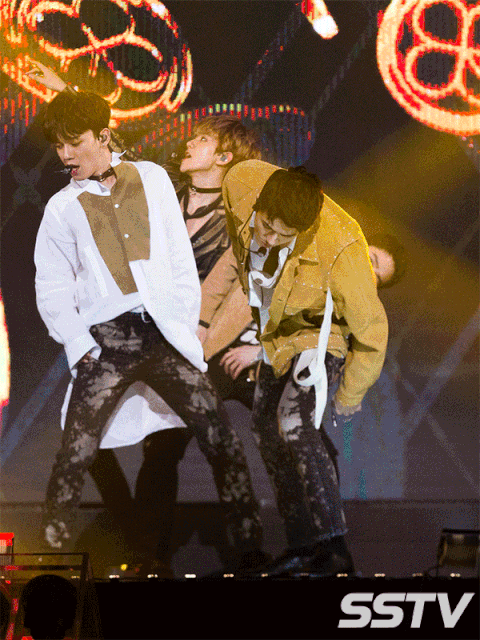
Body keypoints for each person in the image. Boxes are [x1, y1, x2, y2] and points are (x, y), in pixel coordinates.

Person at [34, 89, 263, 565]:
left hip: (163, 337)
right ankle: (49, 565)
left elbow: (180, 263)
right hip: (106, 342)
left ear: (103, 136)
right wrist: (80, 346)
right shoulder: (61, 208)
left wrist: (183, 333)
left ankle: (249, 554)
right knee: (76, 450)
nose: (65, 155)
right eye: (58, 145)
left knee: (220, 438)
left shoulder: (153, 178)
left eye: (75, 143)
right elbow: (51, 285)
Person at [199, 160, 389, 577]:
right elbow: (240, 252)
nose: (268, 238)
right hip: (277, 334)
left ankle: (334, 549)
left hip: (323, 334)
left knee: (293, 421)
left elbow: (372, 331)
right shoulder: (242, 183)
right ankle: (303, 544)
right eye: (266, 225)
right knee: (264, 427)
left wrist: (349, 395)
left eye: (281, 235)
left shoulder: (342, 245)